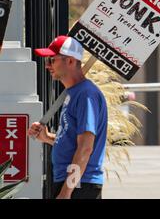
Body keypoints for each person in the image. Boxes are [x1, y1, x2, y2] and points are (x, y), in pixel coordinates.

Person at [27, 36, 108, 199]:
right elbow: (73, 141)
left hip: (79, 185)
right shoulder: (76, 93)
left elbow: (85, 148)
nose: (48, 65)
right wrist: (47, 137)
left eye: (52, 60)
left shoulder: (86, 95)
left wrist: (66, 192)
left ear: (70, 61)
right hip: (73, 183)